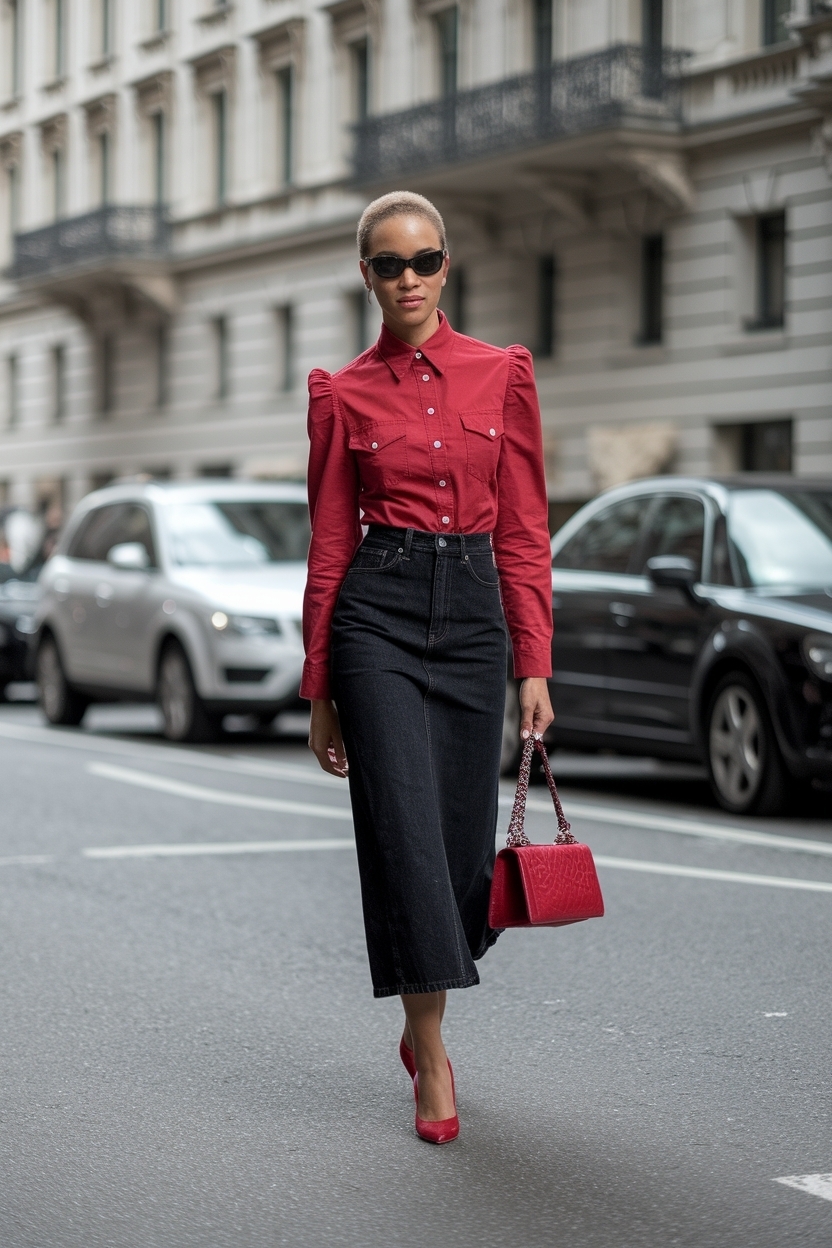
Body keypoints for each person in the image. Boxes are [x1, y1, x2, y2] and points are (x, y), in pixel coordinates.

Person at [302, 191, 554, 1143]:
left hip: (477, 614)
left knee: (456, 849)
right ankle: (432, 1052)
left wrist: (535, 658)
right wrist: (319, 685)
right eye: (386, 264)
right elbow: (330, 540)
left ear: (447, 266)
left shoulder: (504, 375)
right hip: (378, 611)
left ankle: (433, 981)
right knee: (403, 833)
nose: (406, 278)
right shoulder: (342, 390)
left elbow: (526, 526)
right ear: (364, 275)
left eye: (423, 260)